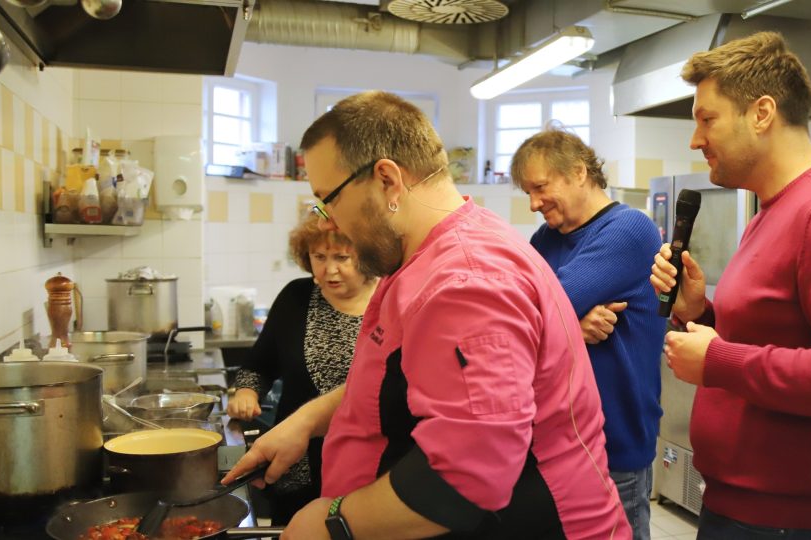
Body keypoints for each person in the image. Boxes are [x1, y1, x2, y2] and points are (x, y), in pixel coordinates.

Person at [223, 90, 631, 539]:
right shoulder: (430, 255)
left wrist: (333, 523)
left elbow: (466, 478)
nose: (329, 222)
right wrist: (305, 421)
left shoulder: (466, 283)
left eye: (329, 199)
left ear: (387, 181)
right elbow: (407, 383)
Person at [649, 31, 811, 539]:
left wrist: (718, 360)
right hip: (740, 504)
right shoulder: (772, 211)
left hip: (791, 522)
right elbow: (777, 337)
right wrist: (703, 314)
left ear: (761, 113)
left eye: (707, 119)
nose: (696, 140)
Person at [511, 128, 665, 540]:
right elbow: (516, 314)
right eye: (528, 192)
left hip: (614, 446)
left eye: (540, 188)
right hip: (554, 440)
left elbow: (545, 302)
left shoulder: (629, 229)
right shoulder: (546, 238)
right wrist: (573, 329)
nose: (533, 203)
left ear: (578, 172)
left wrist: (556, 317)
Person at [226, 213, 377, 525]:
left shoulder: (390, 301)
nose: (328, 269)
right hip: (298, 464)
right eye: (318, 257)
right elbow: (260, 363)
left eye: (342, 258)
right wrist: (246, 389)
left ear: (368, 256)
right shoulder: (296, 296)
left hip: (370, 467)